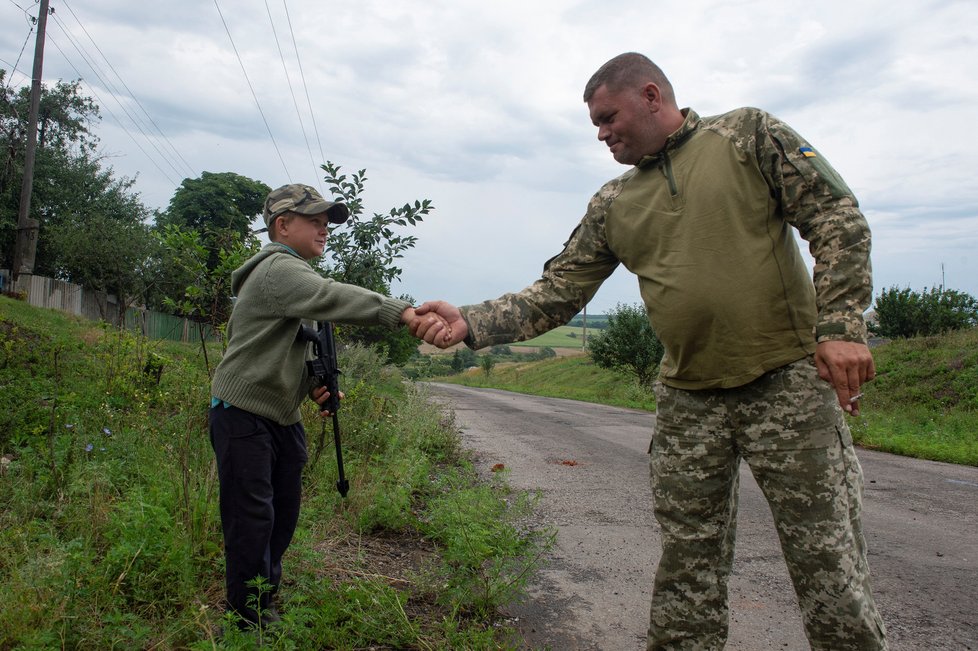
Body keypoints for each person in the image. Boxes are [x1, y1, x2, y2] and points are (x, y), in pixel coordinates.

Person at [413, 53, 887, 650]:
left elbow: (837, 217)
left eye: (608, 118)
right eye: (595, 124)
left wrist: (841, 325)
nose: (602, 134)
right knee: (689, 567)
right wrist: (471, 321)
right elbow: (557, 294)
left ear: (651, 95)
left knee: (828, 567)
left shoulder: (745, 135)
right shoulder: (614, 202)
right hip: (690, 402)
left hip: (786, 384)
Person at [209, 183, 436, 629]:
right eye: (314, 220)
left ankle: (262, 599)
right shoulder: (279, 269)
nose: (324, 229)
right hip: (242, 410)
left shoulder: (294, 277)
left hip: (278, 412)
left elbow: (290, 346)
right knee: (252, 518)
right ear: (282, 225)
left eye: (326, 221)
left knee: (283, 512)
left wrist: (312, 384)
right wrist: (402, 313)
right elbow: (334, 296)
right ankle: (245, 619)